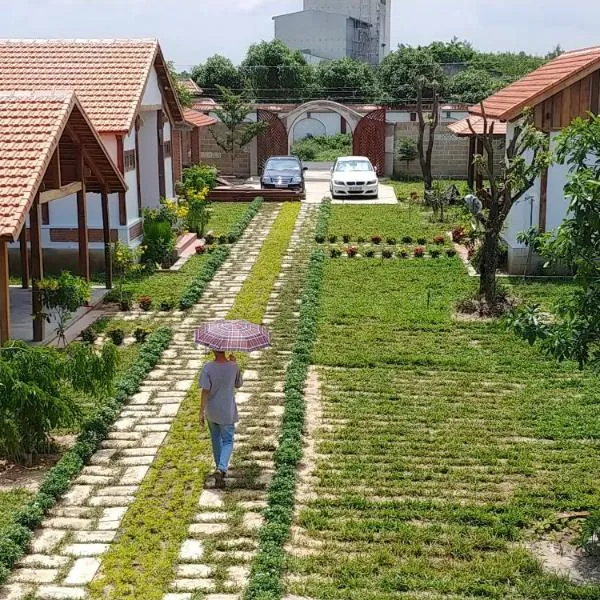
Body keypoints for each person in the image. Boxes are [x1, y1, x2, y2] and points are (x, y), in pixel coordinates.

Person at [200, 350, 243, 488]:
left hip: (212, 410)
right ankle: (222, 468)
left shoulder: (208, 368)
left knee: (215, 438)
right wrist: (235, 364)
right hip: (227, 410)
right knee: (228, 440)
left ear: (213, 350)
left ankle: (219, 470)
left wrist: (201, 411)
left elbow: (205, 390)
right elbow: (238, 384)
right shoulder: (233, 366)